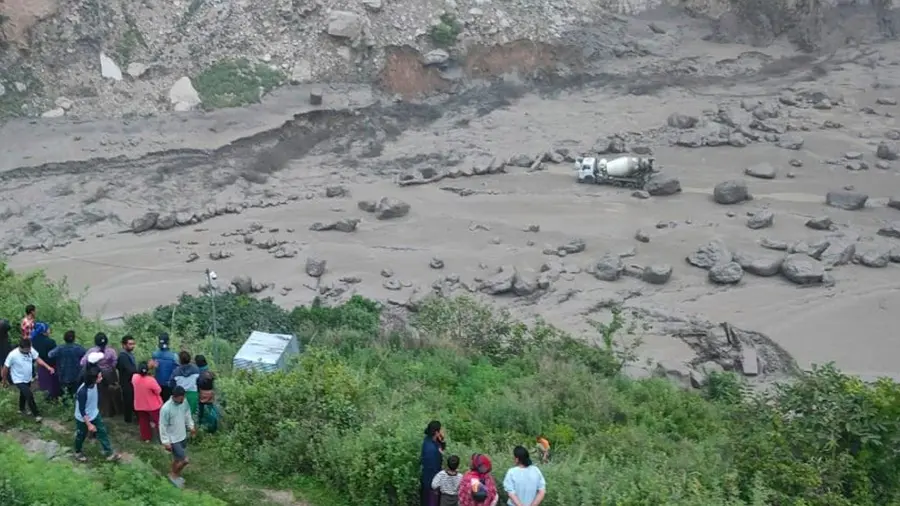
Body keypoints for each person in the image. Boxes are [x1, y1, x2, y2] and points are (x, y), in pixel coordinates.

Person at [74, 365, 122, 463]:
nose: (101, 378)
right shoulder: (83, 392)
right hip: (83, 418)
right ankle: (77, 451)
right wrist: (89, 424)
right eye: (99, 377)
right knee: (81, 435)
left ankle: (109, 452)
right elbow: (82, 410)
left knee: (102, 431)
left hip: (94, 413)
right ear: (92, 379)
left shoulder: (94, 384)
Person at [1, 338, 55, 423]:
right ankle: (36, 415)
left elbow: (38, 359)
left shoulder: (30, 349)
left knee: (23, 394)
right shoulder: (12, 355)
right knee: (29, 395)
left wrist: (48, 367)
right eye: (27, 350)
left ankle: (21, 409)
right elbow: (5, 368)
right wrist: (4, 380)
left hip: (28, 377)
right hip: (18, 379)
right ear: (21, 348)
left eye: (30, 349)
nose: (29, 351)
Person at [159, 385, 196, 488]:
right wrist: (166, 442)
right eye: (181, 397)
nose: (183, 399)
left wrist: (191, 426)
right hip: (173, 439)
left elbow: (187, 414)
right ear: (175, 396)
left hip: (182, 435)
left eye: (183, 397)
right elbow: (162, 425)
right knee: (185, 460)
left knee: (177, 459)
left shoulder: (184, 402)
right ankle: (173, 475)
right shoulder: (166, 409)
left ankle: (174, 475)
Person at [81, 333, 120, 417]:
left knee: (98, 394)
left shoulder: (92, 351)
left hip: (96, 374)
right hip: (109, 375)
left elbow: (83, 362)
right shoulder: (111, 351)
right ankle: (110, 412)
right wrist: (108, 367)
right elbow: (115, 362)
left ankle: (98, 412)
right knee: (108, 394)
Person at [48, 330, 86, 404]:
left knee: (65, 391)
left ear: (64, 338)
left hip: (63, 373)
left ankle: (65, 403)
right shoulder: (78, 348)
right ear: (74, 339)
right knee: (75, 391)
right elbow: (86, 355)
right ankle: (75, 403)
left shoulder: (60, 348)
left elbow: (50, 354)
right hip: (76, 373)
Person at [133, 361, 163, 443]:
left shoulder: (134, 378)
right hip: (152, 405)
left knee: (143, 421)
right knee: (158, 421)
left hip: (139, 404)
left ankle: (146, 438)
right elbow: (158, 391)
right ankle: (162, 437)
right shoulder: (151, 380)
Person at [30, 322, 60, 401]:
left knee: (44, 381)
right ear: (44, 331)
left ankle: (45, 394)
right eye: (48, 329)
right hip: (50, 365)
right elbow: (54, 354)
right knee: (52, 382)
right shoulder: (50, 342)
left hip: (41, 364)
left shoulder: (34, 340)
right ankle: (53, 397)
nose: (49, 330)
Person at [422, 420, 446, 506]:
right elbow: (434, 468)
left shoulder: (428, 440)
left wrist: (442, 440)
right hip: (431, 481)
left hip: (427, 478)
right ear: (436, 432)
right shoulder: (432, 450)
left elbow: (441, 449)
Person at [169, 351, 200, 415]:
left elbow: (171, 384)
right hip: (193, 394)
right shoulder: (196, 369)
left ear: (179, 361)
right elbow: (199, 382)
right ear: (189, 359)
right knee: (190, 416)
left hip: (180, 395)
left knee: (180, 415)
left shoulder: (176, 371)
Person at [116, 335, 138, 424]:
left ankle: (131, 417)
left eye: (133, 344)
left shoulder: (129, 354)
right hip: (126, 381)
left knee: (131, 399)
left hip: (131, 381)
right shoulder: (123, 356)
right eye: (130, 344)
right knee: (128, 400)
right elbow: (130, 370)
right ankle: (128, 419)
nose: (132, 346)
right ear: (124, 345)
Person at [152, 333, 178, 402]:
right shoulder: (174, 356)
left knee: (159, 402)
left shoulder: (155, 354)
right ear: (168, 342)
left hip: (157, 383)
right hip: (169, 384)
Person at [195, 355, 217, 432]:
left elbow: (197, 383)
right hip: (211, 392)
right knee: (211, 408)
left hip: (202, 393)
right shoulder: (209, 372)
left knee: (201, 408)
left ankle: (200, 424)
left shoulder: (198, 372)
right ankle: (214, 424)